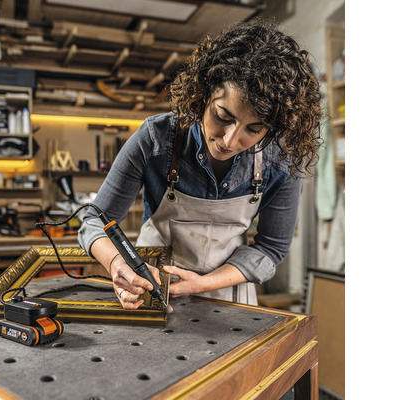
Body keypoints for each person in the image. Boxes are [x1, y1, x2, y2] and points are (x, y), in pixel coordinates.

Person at [77, 20, 322, 309]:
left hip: (229, 294)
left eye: (253, 129)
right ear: (204, 94)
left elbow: (272, 247)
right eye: (223, 116)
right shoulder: (156, 139)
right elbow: (94, 222)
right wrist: (118, 263)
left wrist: (204, 283)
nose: (230, 140)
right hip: (152, 286)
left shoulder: (279, 159)